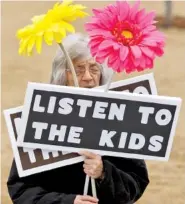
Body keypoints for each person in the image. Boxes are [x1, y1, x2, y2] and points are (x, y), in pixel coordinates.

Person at [7, 33, 149, 204]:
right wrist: (68, 202)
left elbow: (136, 184)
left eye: (94, 69)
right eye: (78, 70)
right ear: (62, 76)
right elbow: (21, 189)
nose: (88, 76)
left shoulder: (120, 118)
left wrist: (104, 173)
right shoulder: (40, 119)